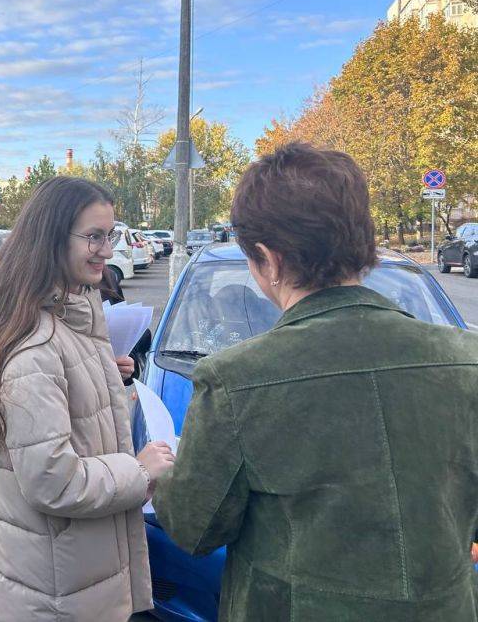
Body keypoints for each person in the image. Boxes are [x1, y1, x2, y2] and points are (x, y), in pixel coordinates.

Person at [154, 143, 478, 622]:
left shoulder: (236, 379)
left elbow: (194, 529)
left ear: (270, 259)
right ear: (363, 244)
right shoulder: (466, 359)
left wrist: (163, 476)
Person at [0, 176, 176, 622]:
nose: (108, 250)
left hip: (62, 573)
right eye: (94, 237)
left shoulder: (67, 315)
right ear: (51, 237)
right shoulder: (35, 345)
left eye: (109, 235)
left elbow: (61, 419)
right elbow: (54, 480)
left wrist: (108, 381)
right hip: (55, 592)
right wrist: (138, 469)